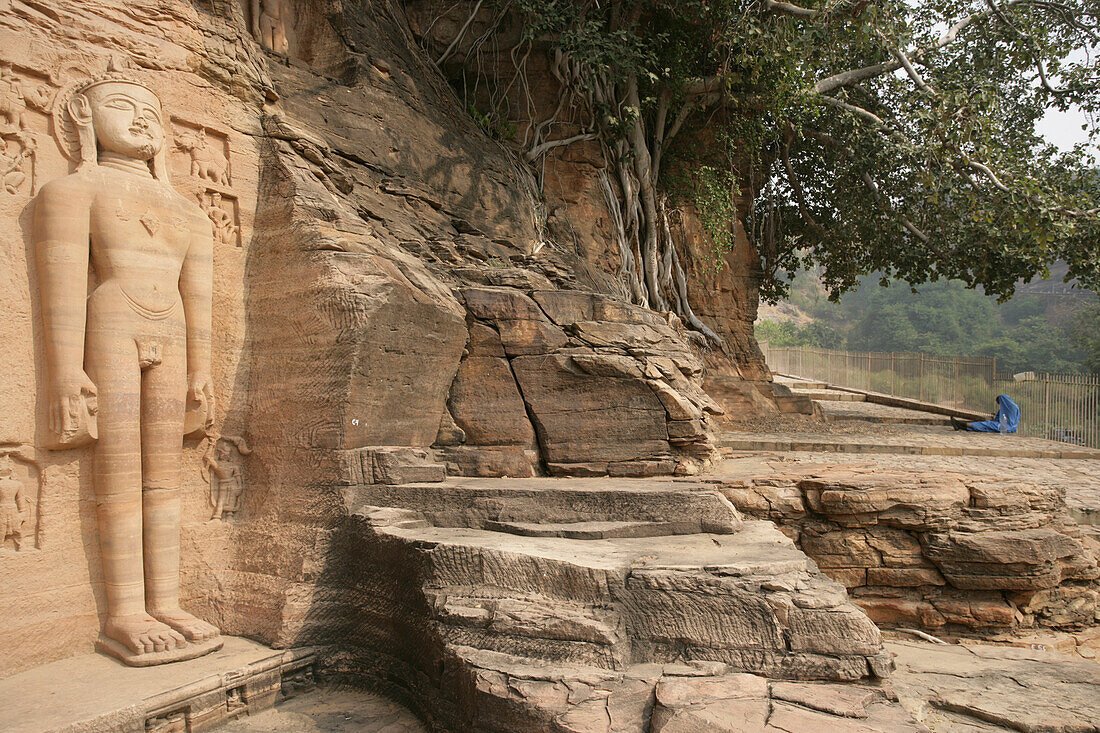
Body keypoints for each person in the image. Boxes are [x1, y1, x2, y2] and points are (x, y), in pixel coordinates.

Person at [34, 60, 219, 663]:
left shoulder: (190, 212)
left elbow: (200, 301)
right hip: (111, 323)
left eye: (150, 113)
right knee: (120, 464)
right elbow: (60, 291)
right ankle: (124, 613)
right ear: (84, 116)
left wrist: (201, 370)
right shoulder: (72, 191)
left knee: (162, 472)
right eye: (122, 105)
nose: (140, 120)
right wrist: (65, 371)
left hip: (170, 327)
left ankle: (164, 599)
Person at [951, 394, 1020, 433]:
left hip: (1007, 427)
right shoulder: (1012, 407)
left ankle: (963, 424)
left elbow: (1006, 421)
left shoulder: (1010, 408)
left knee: (987, 424)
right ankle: (963, 426)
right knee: (986, 426)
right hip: (1008, 426)